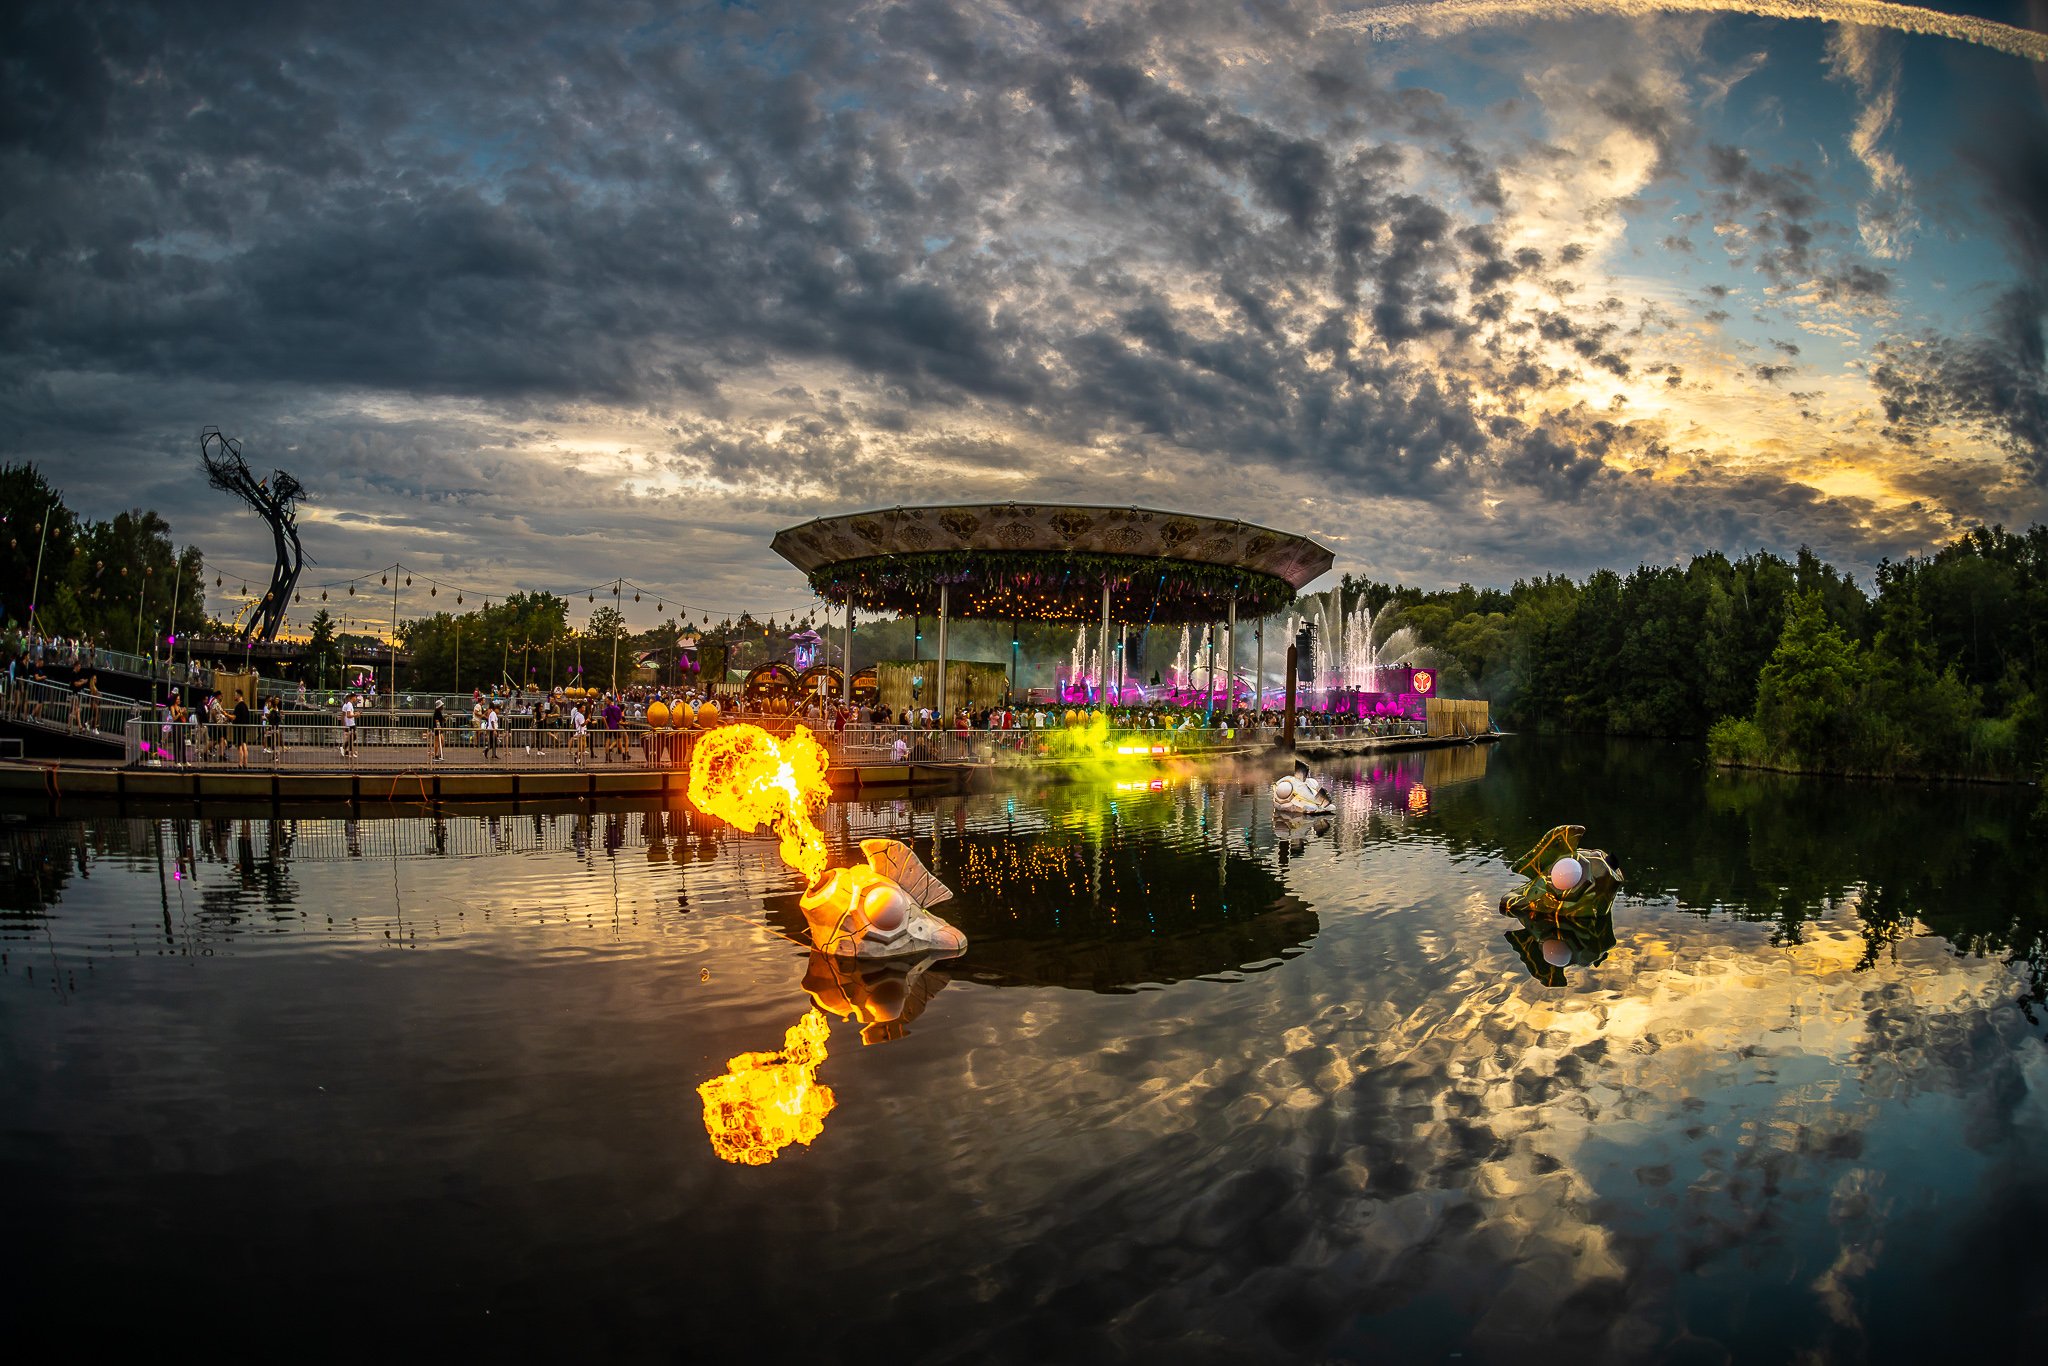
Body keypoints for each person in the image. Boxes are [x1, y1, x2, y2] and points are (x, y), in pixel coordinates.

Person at [231, 694, 252, 767]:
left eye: (235, 695)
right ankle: (245, 763)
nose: (234, 696)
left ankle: (240, 762)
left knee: (239, 746)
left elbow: (234, 717)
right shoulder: (245, 706)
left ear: (239, 696)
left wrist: (226, 715)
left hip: (238, 728)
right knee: (244, 744)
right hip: (244, 727)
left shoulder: (238, 706)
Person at [570, 700, 589, 766]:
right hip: (581, 732)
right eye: (583, 708)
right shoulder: (580, 716)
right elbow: (582, 724)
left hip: (581, 732)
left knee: (583, 747)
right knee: (581, 747)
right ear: (580, 708)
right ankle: (577, 759)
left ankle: (578, 758)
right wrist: (587, 721)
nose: (584, 709)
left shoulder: (577, 714)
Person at [340, 694, 357, 758]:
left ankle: (348, 751)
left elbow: (344, 715)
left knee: (351, 738)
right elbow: (348, 715)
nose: (356, 698)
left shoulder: (347, 705)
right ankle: (345, 748)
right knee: (352, 737)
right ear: (351, 698)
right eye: (355, 697)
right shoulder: (348, 705)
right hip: (350, 724)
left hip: (350, 723)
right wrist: (356, 715)